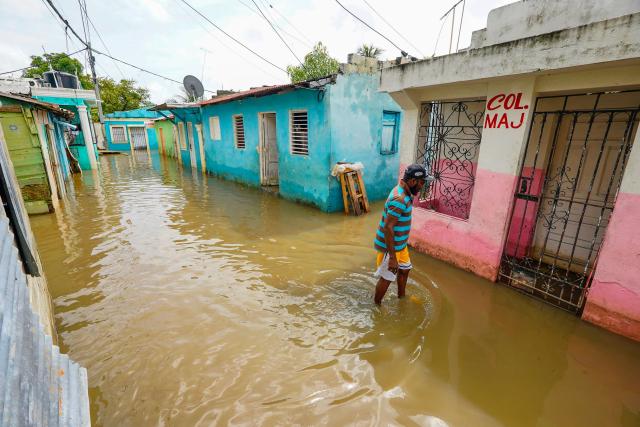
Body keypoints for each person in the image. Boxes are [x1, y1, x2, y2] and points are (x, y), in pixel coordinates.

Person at [373, 164, 431, 305]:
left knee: (405, 269)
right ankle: (376, 306)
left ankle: (401, 298)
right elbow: (388, 228)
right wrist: (392, 257)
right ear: (412, 181)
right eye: (422, 182)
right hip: (391, 247)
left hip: (400, 245)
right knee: (387, 277)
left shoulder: (405, 193)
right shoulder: (399, 199)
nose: (423, 186)